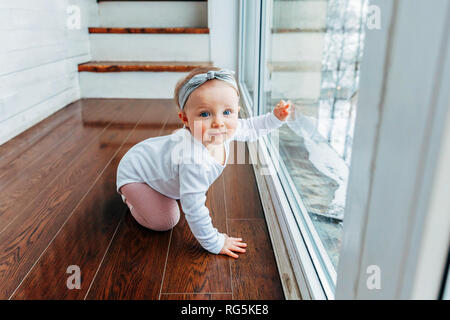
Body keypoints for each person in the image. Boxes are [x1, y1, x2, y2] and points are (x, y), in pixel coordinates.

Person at [116, 66, 291, 259]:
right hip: (136, 175)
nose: (219, 122)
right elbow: (194, 208)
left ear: (236, 111)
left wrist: (275, 119)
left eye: (227, 112)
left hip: (152, 161)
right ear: (185, 119)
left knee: (184, 192)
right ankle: (131, 199)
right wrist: (215, 241)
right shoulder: (193, 160)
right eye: (205, 114)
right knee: (167, 220)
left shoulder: (222, 130)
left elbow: (250, 127)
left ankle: (159, 191)